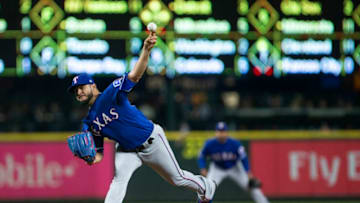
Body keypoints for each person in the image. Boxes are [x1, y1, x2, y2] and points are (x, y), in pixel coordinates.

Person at [67, 31, 216, 203]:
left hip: (151, 140)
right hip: (126, 150)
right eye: (75, 91)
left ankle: (205, 186)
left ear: (92, 86)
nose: (78, 92)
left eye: (81, 87)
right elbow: (99, 153)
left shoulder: (110, 93)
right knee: (118, 182)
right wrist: (92, 159)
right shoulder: (89, 122)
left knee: (177, 179)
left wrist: (146, 50)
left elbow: (134, 76)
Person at [198, 122, 269, 203]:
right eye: (219, 131)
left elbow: (244, 158)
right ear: (216, 132)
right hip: (217, 168)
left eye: (223, 131)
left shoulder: (235, 144)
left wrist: (248, 172)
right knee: (207, 188)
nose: (221, 134)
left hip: (235, 167)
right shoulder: (210, 144)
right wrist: (202, 167)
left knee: (252, 187)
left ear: (227, 132)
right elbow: (201, 156)